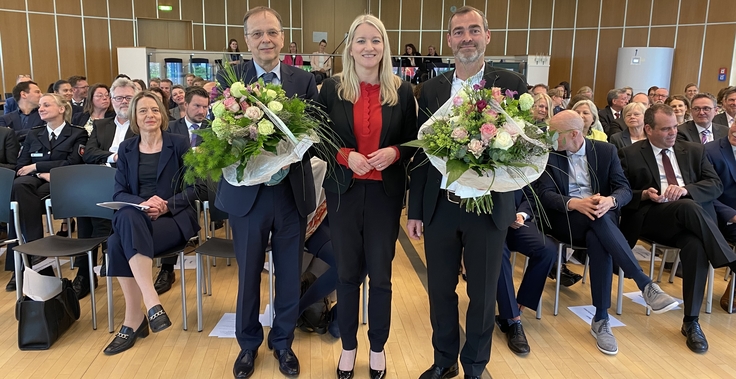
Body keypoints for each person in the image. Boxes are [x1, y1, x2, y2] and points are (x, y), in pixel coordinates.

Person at [407, 6, 528, 379]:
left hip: (488, 208)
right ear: (449, 40)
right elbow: (421, 155)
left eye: (474, 30)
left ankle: (475, 367)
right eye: (458, 32)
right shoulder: (431, 89)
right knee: (440, 292)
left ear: (487, 36)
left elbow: (524, 150)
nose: (466, 38)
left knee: (482, 295)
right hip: (441, 206)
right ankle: (444, 362)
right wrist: (414, 210)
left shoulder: (510, 84)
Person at [216, 6, 318, 379]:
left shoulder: (304, 81)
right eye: (257, 34)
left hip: (290, 192)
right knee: (248, 276)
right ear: (247, 41)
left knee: (289, 272)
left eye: (272, 32)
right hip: (248, 196)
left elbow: (313, 136)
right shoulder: (229, 80)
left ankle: (283, 343)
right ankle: (247, 345)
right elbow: (219, 137)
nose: (265, 40)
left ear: (283, 36)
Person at [317, 14, 417, 379]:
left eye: (375, 40)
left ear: (385, 46)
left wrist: (394, 152)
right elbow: (320, 140)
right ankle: (348, 347)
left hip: (384, 195)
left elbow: (412, 141)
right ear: (351, 47)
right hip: (344, 192)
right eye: (361, 40)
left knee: (381, 275)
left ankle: (377, 347)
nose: (368, 47)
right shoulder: (331, 89)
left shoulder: (401, 91)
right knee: (346, 274)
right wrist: (346, 156)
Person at [537, 110, 679, 355]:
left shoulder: (604, 151)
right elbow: (546, 194)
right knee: (599, 225)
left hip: (601, 215)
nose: (551, 139)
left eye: (554, 134)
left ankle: (601, 319)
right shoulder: (550, 155)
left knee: (598, 231)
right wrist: (575, 203)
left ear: (573, 134)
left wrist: (609, 201)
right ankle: (644, 286)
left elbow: (623, 188)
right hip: (567, 219)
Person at [618, 104, 736, 353]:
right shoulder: (629, 154)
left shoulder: (693, 150)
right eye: (666, 129)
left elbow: (715, 185)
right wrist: (645, 194)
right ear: (648, 129)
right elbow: (621, 192)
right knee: (688, 208)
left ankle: (691, 322)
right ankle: (730, 260)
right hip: (653, 218)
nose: (673, 132)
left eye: (675, 126)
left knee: (696, 245)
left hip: (691, 221)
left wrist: (686, 190)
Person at [102, 91, 199, 355]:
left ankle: (135, 319)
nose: (150, 115)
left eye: (154, 110)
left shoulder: (179, 143)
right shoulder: (127, 148)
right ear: (134, 116)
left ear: (163, 114)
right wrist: (143, 205)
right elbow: (119, 193)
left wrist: (166, 205)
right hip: (138, 219)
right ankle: (149, 304)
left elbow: (195, 188)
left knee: (116, 241)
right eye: (143, 111)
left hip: (172, 220)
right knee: (127, 217)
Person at [4, 93, 88, 291]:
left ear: (61, 109)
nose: (40, 108)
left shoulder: (77, 133)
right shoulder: (34, 133)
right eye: (40, 105)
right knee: (17, 187)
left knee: (18, 200)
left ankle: (24, 264)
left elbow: (72, 163)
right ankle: (36, 248)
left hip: (62, 181)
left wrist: (37, 166)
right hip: (37, 180)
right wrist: (41, 171)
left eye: (46, 105)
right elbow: (22, 164)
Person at [494, 188, 556, 356]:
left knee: (547, 249)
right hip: (488, 220)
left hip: (516, 222)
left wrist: (521, 214)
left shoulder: (526, 160)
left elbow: (531, 193)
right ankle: (513, 319)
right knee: (497, 252)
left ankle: (521, 303)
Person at [704, 122, 736, 312]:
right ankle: (733, 289)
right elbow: (705, 194)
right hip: (718, 215)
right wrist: (731, 215)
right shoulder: (710, 151)